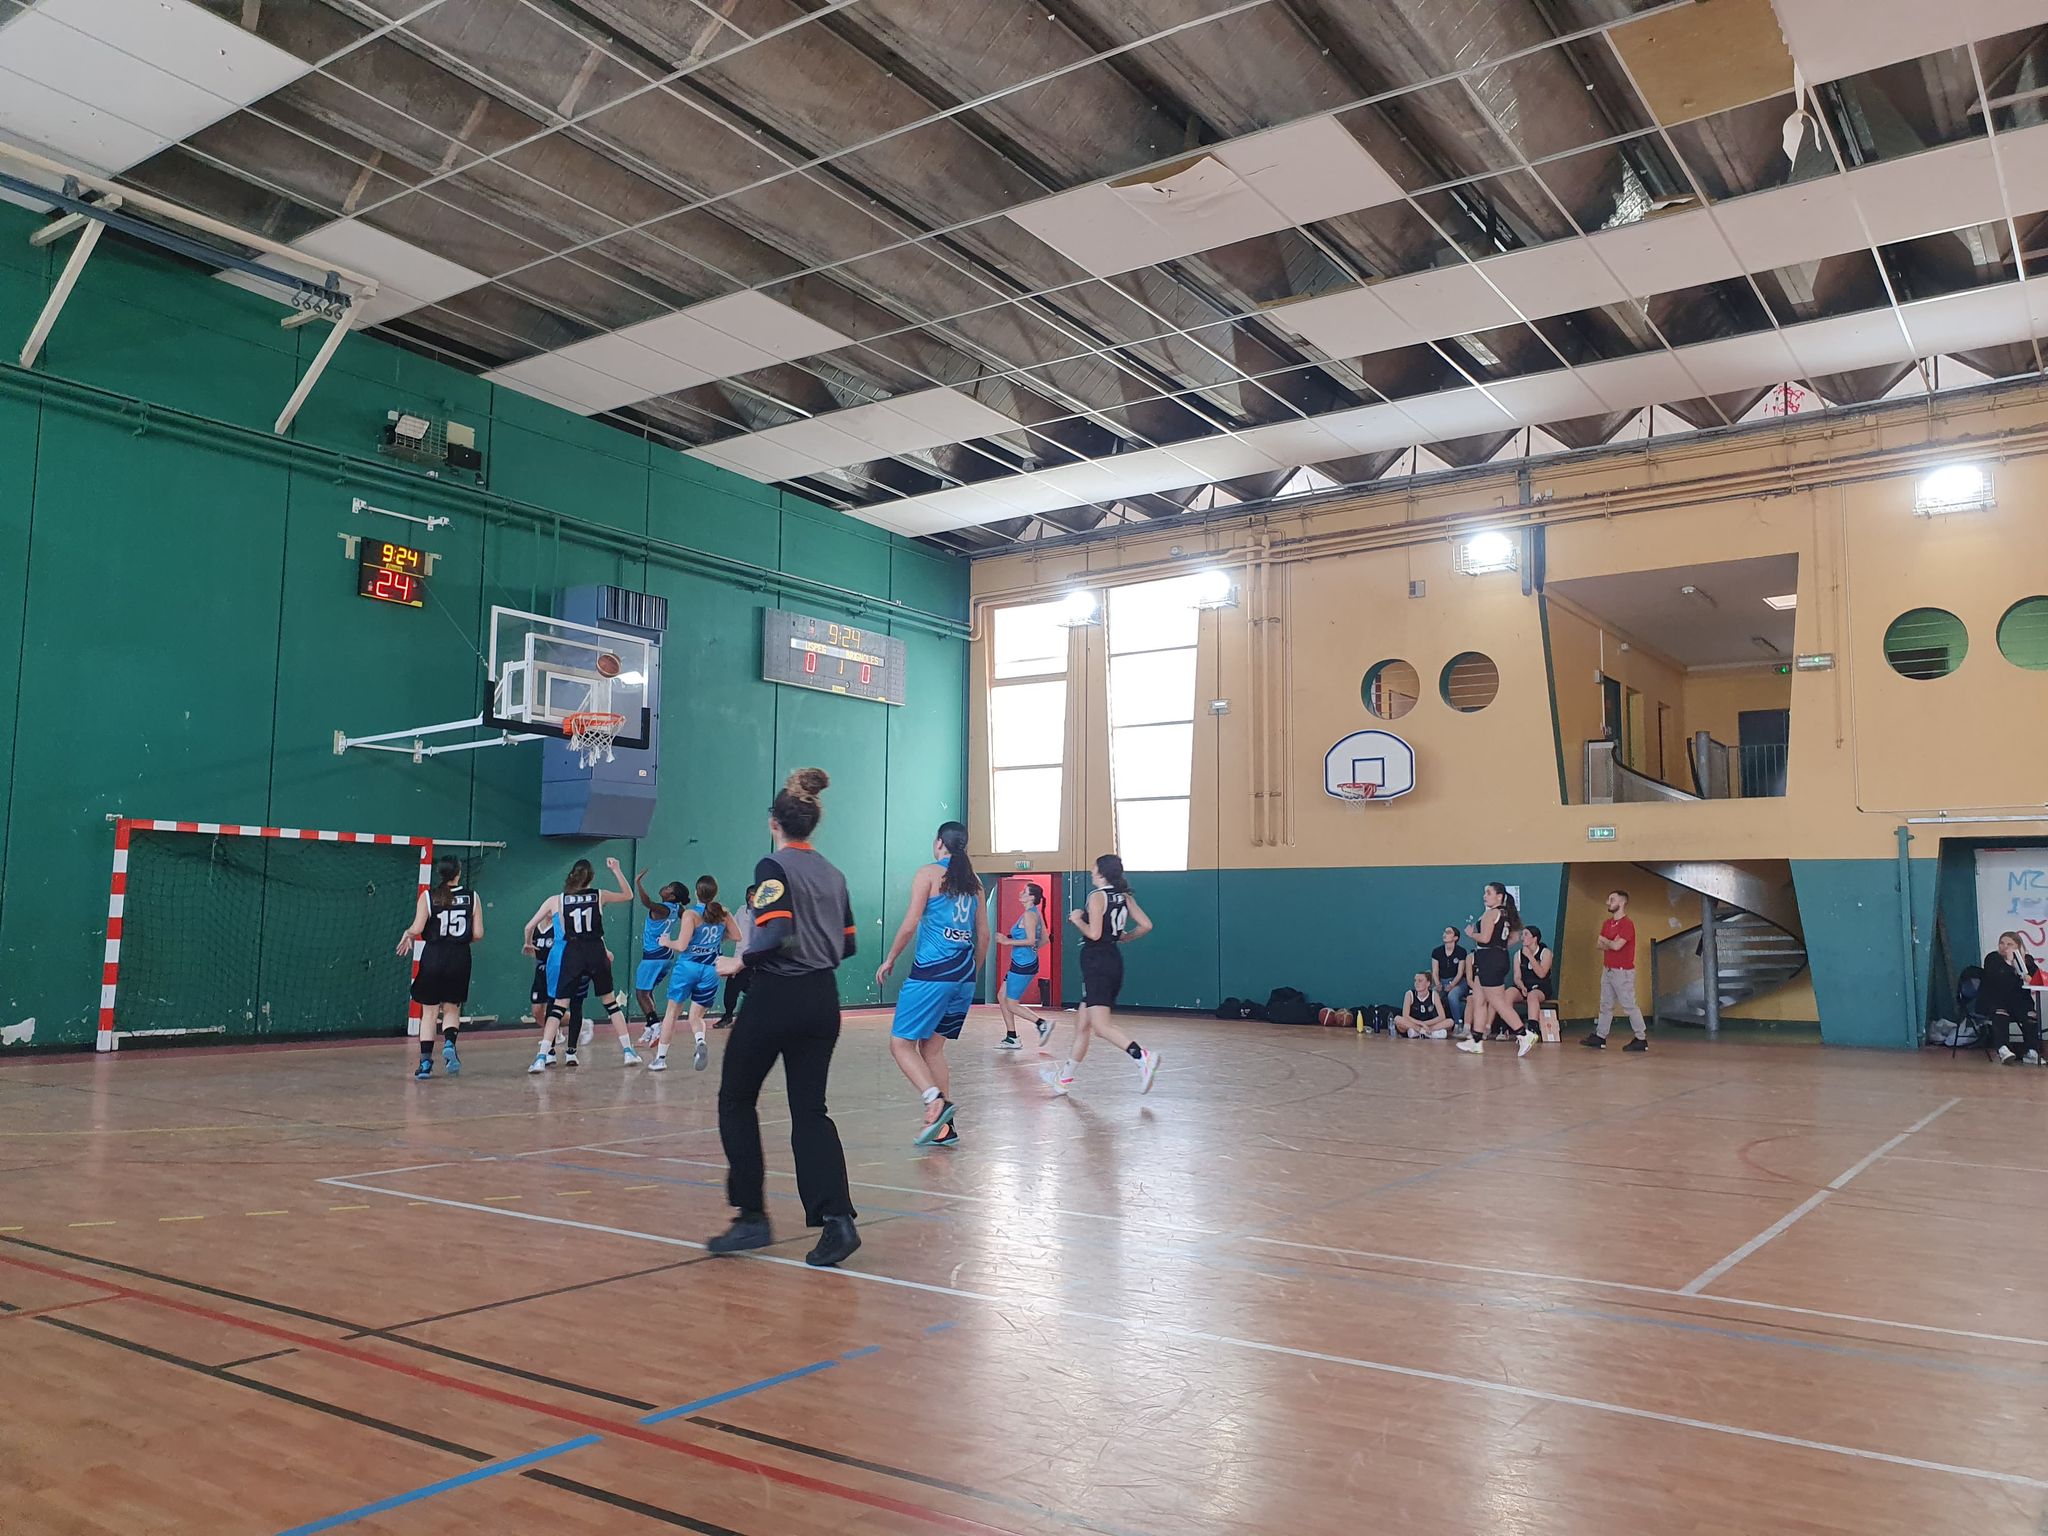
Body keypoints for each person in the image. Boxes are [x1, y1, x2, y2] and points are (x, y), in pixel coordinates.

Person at [705, 768, 861, 1269]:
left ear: (774, 822)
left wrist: (740, 961)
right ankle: (837, 1221)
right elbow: (848, 944)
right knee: (810, 1111)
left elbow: (775, 933)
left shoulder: (772, 867)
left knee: (736, 1099)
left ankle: (752, 1216)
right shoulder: (833, 874)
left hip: (778, 995)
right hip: (822, 999)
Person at [877, 823, 987, 1148]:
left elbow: (910, 923)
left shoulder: (928, 873)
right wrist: (971, 973)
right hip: (964, 977)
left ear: (939, 843)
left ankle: (934, 1100)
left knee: (900, 1044)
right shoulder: (975, 882)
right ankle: (945, 1128)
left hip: (932, 974)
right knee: (933, 1049)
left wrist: (890, 958)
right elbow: (983, 935)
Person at [1045, 854, 1158, 1095]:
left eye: (1094, 867)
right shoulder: (1124, 897)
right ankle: (1064, 1079)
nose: (1091, 871)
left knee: (1100, 1026)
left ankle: (1141, 1056)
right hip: (1113, 959)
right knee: (1082, 1024)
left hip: (1097, 962)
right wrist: (1125, 937)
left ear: (1102, 872)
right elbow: (1147, 925)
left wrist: (1077, 919)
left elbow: (1094, 934)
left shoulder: (1097, 897)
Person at [525, 856, 642, 1073]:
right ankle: (628, 1051)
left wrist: (528, 943)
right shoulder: (599, 895)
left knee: (558, 1006)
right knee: (611, 1004)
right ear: (591, 878)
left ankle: (541, 1057)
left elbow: (540, 927)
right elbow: (628, 895)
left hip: (573, 952)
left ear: (572, 875)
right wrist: (616, 870)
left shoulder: (559, 900)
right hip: (595, 950)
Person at [398, 855, 479, 1080]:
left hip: (433, 955)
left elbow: (417, 928)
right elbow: (478, 933)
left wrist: (408, 933)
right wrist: (460, 941)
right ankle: (449, 1044)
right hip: (459, 956)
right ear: (458, 873)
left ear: (439, 873)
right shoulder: (472, 897)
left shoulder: (428, 896)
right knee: (452, 1008)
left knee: (429, 1012)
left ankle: (425, 1063)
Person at [652, 876, 741, 1073]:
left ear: (696, 892)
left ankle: (660, 1058)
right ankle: (700, 1041)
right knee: (696, 1015)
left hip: (688, 967)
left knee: (672, 1012)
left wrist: (666, 942)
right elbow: (737, 936)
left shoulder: (691, 914)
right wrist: (717, 938)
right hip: (710, 969)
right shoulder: (723, 913)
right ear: (715, 892)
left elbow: (682, 945)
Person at [1457, 882, 1530, 1057]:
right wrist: (1500, 946)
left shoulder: (1492, 913)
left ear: (1499, 896)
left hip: (1490, 960)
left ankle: (1523, 1034)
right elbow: (1514, 938)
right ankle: (1476, 1040)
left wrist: (1471, 934)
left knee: (1497, 1001)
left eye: (1489, 893)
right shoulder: (1506, 914)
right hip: (1494, 958)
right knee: (1479, 999)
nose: (1485, 896)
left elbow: (1484, 938)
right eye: (1484, 892)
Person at [1583, 888, 1649, 1051]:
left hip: (1623, 971)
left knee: (1629, 1005)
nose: (1608, 902)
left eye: (1612, 899)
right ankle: (1600, 1036)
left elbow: (1616, 946)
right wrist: (1610, 942)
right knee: (1605, 1004)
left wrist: (1607, 941)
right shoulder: (1607, 923)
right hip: (1608, 969)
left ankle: (1641, 1038)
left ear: (1622, 902)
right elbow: (1600, 945)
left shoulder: (1627, 924)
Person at [993, 883, 1053, 1052]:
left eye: (1024, 891)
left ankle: (1042, 1024)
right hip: (1021, 962)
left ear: (1031, 897)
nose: (1021, 893)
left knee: (1012, 1004)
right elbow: (1044, 940)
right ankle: (1012, 1037)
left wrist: (1007, 941)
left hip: (1023, 964)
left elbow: (1030, 940)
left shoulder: (1029, 915)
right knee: (1002, 995)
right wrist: (1030, 950)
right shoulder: (1035, 914)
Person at [632, 871, 687, 1047]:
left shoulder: (663, 909)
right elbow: (688, 918)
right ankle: (650, 1028)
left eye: (669, 887)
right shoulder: (678, 909)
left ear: (672, 896)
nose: (665, 887)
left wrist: (638, 883)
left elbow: (646, 902)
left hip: (653, 956)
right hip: (666, 956)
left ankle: (655, 1025)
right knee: (648, 992)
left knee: (641, 993)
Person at [1981, 931, 2043, 1064]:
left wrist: (2023, 965)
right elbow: (1997, 979)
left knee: (2031, 1015)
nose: (2005, 947)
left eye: (2009, 944)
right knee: (2001, 1013)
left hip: (2019, 1001)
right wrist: (2009, 963)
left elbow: (2036, 978)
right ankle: (2003, 1049)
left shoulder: (2027, 960)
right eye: (2002, 943)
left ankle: (2032, 1051)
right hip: (1998, 1000)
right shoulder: (1993, 958)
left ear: (2017, 946)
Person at [716, 884, 757, 1028]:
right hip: (739, 958)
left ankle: (748, 1019)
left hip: (755, 959)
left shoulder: (764, 914)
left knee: (750, 989)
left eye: (754, 894)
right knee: (734, 989)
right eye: (749, 894)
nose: (750, 898)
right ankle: (729, 1017)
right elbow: (731, 929)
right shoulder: (741, 911)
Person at [1511, 925, 1554, 1035]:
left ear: (1535, 938)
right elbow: (1517, 977)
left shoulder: (1546, 953)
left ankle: (1532, 1030)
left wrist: (1530, 956)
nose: (1522, 937)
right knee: (1507, 994)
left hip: (1540, 987)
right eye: (1522, 934)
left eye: (1526, 934)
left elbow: (1542, 974)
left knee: (1532, 996)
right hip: (1524, 986)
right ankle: (1507, 1028)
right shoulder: (1518, 955)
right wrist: (1521, 986)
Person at [1431, 926, 1469, 1031]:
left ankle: (1458, 1025)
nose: (1444, 934)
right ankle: (1436, 1025)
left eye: (1448, 932)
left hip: (1459, 982)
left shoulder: (1461, 951)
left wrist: (1452, 985)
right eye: (1444, 932)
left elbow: (1460, 973)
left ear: (1455, 937)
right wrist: (1438, 984)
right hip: (1442, 982)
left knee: (1452, 996)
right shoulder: (1437, 952)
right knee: (1433, 995)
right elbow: (1435, 971)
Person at [1392, 970, 1448, 1038]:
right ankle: (1422, 1031)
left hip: (1429, 1024)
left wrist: (1425, 1024)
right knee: (1397, 1019)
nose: (1416, 983)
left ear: (1428, 983)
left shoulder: (1434, 994)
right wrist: (1420, 1024)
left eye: (1420, 981)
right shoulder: (1409, 994)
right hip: (1413, 1023)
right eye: (1415, 980)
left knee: (1450, 1022)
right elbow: (1405, 1016)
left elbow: (1442, 1016)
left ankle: (1426, 1032)